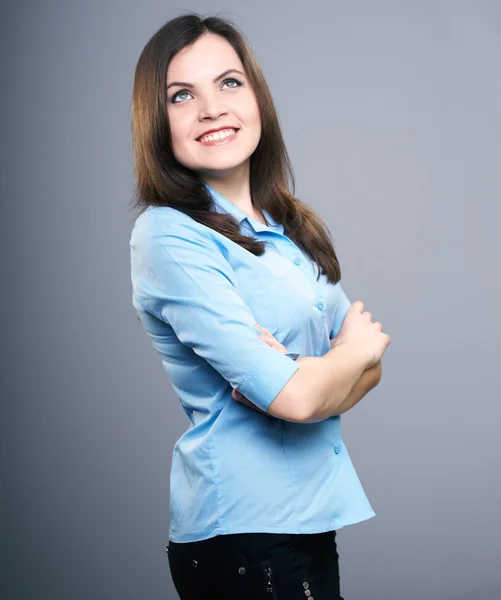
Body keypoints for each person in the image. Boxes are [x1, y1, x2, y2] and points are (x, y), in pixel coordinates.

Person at [129, 12, 391, 600]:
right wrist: (318, 374)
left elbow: (369, 364)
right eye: (181, 95)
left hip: (309, 520)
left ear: (256, 97)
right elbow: (300, 395)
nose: (211, 108)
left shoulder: (289, 226)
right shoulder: (169, 236)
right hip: (242, 534)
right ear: (157, 121)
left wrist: (307, 374)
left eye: (229, 83)